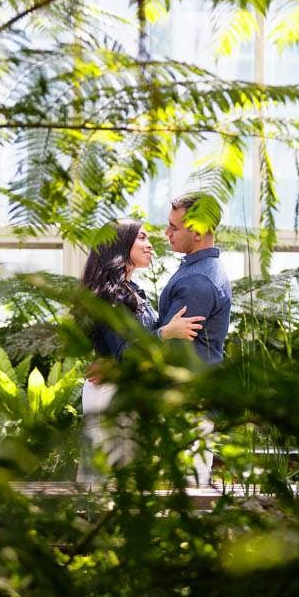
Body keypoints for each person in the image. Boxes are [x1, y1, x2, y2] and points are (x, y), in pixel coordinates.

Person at [77, 218, 204, 483]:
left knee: (122, 484)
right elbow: (128, 353)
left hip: (122, 393)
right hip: (111, 397)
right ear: (120, 245)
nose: (150, 246)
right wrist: (168, 332)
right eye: (142, 238)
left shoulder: (131, 292)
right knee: (105, 486)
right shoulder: (111, 297)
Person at [156, 193, 233, 485]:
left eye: (174, 227)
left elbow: (174, 348)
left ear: (198, 232)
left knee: (187, 495)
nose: (167, 233)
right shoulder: (198, 269)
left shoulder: (197, 281)